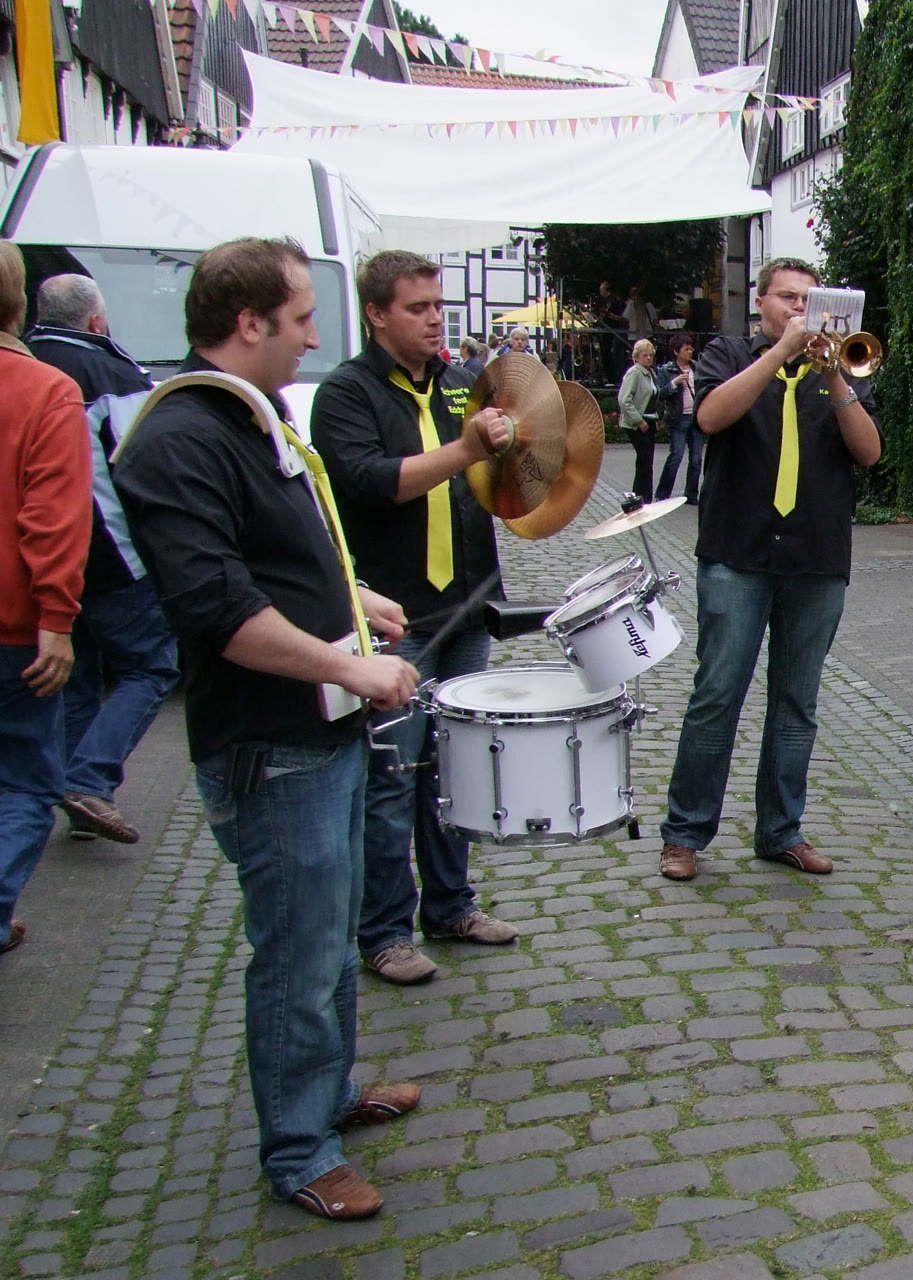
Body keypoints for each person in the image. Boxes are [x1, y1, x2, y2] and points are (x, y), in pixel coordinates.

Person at [113, 236, 425, 1219]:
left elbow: (283, 553)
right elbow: (218, 607)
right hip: (270, 744)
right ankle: (299, 1148)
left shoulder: (252, 418)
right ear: (247, 322)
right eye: (299, 319)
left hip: (317, 732)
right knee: (297, 951)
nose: (313, 339)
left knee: (330, 938)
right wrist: (349, 665)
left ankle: (327, 1095)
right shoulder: (181, 439)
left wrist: (351, 597)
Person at [310, 249, 518, 987]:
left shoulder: (461, 385)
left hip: (466, 605)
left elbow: (489, 481)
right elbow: (371, 484)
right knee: (393, 774)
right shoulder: (346, 393)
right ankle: (384, 932)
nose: (435, 320)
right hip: (396, 617)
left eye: (439, 306)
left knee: (456, 767)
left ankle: (452, 905)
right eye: (418, 308)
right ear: (376, 314)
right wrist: (465, 450)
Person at [656, 257, 881, 883]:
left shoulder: (844, 367)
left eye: (809, 300)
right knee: (717, 695)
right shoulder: (728, 354)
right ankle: (685, 833)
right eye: (787, 298)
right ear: (761, 303)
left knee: (796, 703)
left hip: (816, 556)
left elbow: (869, 451)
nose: (799, 310)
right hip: (739, 552)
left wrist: (832, 376)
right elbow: (709, 418)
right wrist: (780, 353)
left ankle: (781, 830)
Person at [27, 274, 181, 845]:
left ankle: (76, 795)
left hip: (43, 555)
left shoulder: (24, 363)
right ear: (97, 321)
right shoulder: (116, 375)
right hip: (111, 554)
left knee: (77, 680)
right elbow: (148, 464)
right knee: (153, 667)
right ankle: (89, 779)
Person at [0, 241, 92, 956]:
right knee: (29, 786)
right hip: (15, 629)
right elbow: (54, 516)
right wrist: (57, 619)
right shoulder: (43, 390)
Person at [654, 333, 701, 503]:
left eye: (691, 348)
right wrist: (674, 383)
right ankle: (663, 493)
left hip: (696, 417)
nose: (690, 352)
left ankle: (691, 494)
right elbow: (660, 393)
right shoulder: (666, 370)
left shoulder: (697, 368)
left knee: (696, 458)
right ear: (676, 351)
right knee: (676, 455)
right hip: (678, 418)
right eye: (686, 349)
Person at [620, 338, 662, 500]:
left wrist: (656, 418)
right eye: (645, 355)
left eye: (651, 355)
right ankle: (640, 496)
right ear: (637, 357)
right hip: (637, 422)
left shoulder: (651, 373)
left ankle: (644, 496)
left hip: (650, 419)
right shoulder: (635, 373)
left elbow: (653, 397)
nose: (649, 358)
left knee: (647, 461)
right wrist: (638, 420)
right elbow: (624, 400)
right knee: (644, 460)